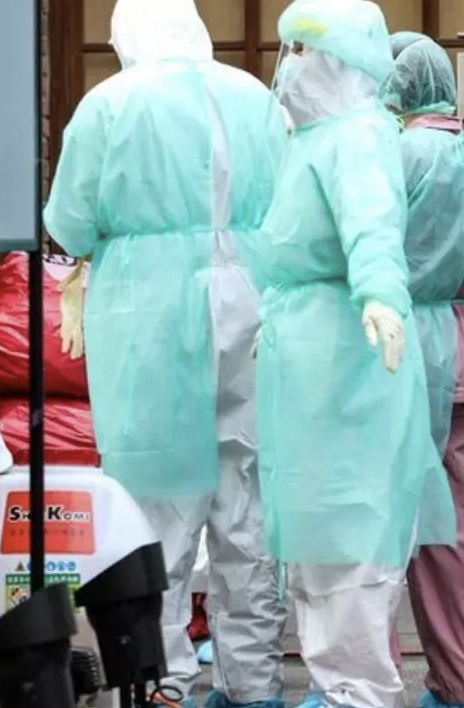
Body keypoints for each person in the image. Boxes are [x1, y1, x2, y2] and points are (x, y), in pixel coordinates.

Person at [42, 1, 288, 707]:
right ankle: (254, 683)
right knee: (248, 500)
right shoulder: (253, 96)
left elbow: (70, 223)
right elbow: (290, 203)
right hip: (255, 299)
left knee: (155, 504)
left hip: (150, 312)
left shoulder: (111, 103)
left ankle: (164, 680)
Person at [254, 3, 455, 708]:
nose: (289, 67)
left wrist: (378, 296)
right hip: (307, 359)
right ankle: (337, 684)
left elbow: (372, 225)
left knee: (352, 537)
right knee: (315, 535)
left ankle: (359, 689)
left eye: (303, 50)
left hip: (348, 357)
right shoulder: (310, 139)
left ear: (344, 59)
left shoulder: (358, 134)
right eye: (287, 49)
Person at [380, 32, 464, 708]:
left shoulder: (395, 154)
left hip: (396, 342)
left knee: (381, 522)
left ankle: (367, 679)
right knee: (456, 527)